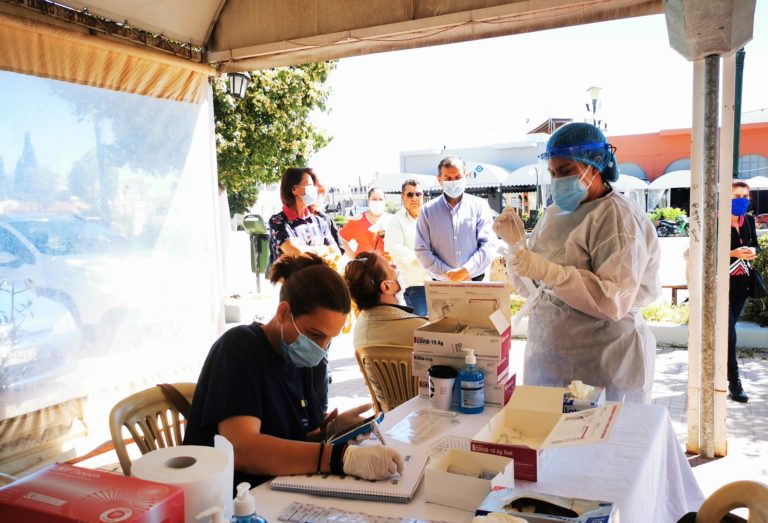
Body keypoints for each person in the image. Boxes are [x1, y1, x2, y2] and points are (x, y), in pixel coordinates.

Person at [184, 254, 403, 488]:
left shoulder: (307, 361)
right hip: (227, 499)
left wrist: (331, 432)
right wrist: (341, 458)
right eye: (315, 334)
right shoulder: (239, 347)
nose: (320, 349)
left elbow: (296, 439)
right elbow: (241, 448)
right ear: (284, 313)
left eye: (329, 339)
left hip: (278, 489)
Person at [494, 122, 661, 403]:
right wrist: (516, 249)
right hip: (548, 357)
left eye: (566, 171)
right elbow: (534, 290)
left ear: (595, 165)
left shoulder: (618, 220)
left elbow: (612, 301)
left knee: (601, 440)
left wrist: (553, 273)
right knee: (546, 439)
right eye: (553, 173)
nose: (557, 180)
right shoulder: (555, 212)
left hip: (603, 359)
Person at [415, 156, 496, 282]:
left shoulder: (480, 206)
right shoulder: (427, 211)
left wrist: (466, 270)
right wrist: (447, 273)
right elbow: (421, 249)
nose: (453, 182)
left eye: (458, 177)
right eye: (448, 178)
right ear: (439, 180)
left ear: (466, 177)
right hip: (441, 282)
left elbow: (489, 244)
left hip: (474, 279)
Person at [344, 251, 427, 348]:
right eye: (390, 266)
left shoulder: (359, 329)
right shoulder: (419, 328)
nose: (395, 267)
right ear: (387, 287)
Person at [726, 180, 759, 402]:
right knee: (729, 335)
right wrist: (733, 253)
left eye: (745, 196)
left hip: (742, 286)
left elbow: (755, 244)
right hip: (720, 285)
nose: (742, 200)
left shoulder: (747, 220)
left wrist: (751, 251)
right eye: (736, 196)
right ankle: (734, 381)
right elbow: (707, 252)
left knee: (725, 335)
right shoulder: (716, 221)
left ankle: (713, 371)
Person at [268, 167, 341, 263]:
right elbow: (296, 252)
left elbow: (336, 252)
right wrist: (325, 249)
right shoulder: (278, 221)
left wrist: (307, 251)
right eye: (310, 185)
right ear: (294, 189)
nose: (315, 189)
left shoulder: (319, 222)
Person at [384, 180, 430, 316]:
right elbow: (396, 250)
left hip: (439, 281)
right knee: (423, 327)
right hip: (416, 285)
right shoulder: (396, 220)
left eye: (418, 194)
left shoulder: (431, 217)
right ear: (402, 197)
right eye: (410, 195)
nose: (414, 198)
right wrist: (429, 261)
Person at [339, 187, 390, 257]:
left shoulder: (392, 220)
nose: (377, 202)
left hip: (387, 266)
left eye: (380, 199)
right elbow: (341, 238)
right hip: (364, 265)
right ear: (368, 201)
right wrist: (353, 256)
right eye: (374, 199)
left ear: (385, 201)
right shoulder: (358, 219)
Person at [310, 181, 344, 254]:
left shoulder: (327, 220)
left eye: (322, 194)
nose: (320, 197)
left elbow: (339, 249)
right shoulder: (287, 222)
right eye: (317, 193)